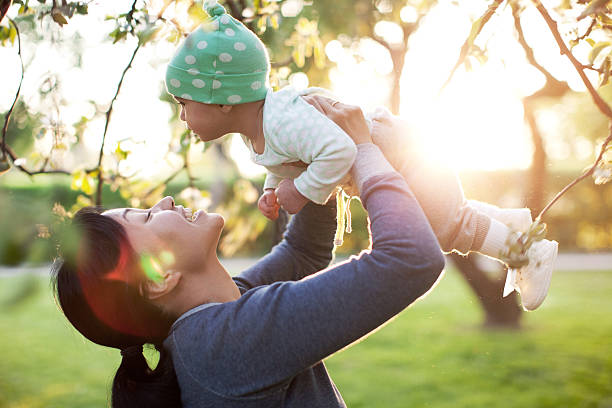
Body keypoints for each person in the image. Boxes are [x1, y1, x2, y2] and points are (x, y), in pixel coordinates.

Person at [164, 0, 557, 310]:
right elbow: (286, 160)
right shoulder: (260, 131)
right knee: (449, 213)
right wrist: (274, 189)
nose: (182, 116)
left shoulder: (280, 119)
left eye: (184, 103)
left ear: (223, 101)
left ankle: (528, 255)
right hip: (394, 152)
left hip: (398, 151)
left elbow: (339, 149)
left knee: (445, 227)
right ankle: (513, 223)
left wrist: (300, 192)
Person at [51, 99, 446, 407]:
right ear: (159, 278)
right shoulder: (227, 343)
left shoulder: (210, 322)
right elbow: (409, 259)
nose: (167, 201)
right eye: (148, 218)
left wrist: (313, 162)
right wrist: (361, 149)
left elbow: (302, 252)